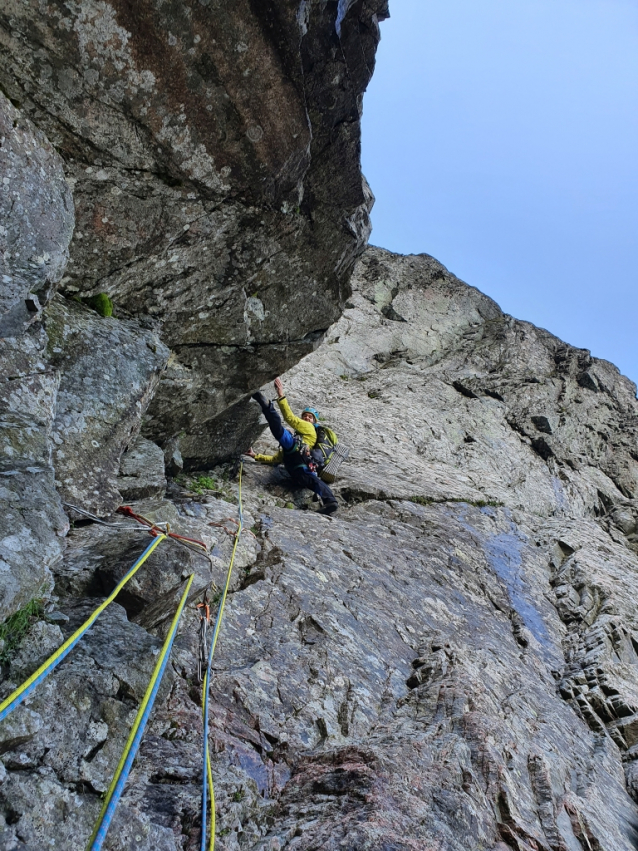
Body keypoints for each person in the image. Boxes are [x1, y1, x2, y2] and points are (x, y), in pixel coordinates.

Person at [246, 378, 338, 515]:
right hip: (299, 470)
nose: (307, 419)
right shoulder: (299, 435)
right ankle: (330, 501)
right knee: (313, 481)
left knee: (280, 432)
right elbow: (277, 459)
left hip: (298, 454)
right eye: (305, 416)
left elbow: (289, 417)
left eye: (310, 417)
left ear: (314, 422)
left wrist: (281, 395)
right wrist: (255, 456)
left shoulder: (309, 428)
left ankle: (266, 405)